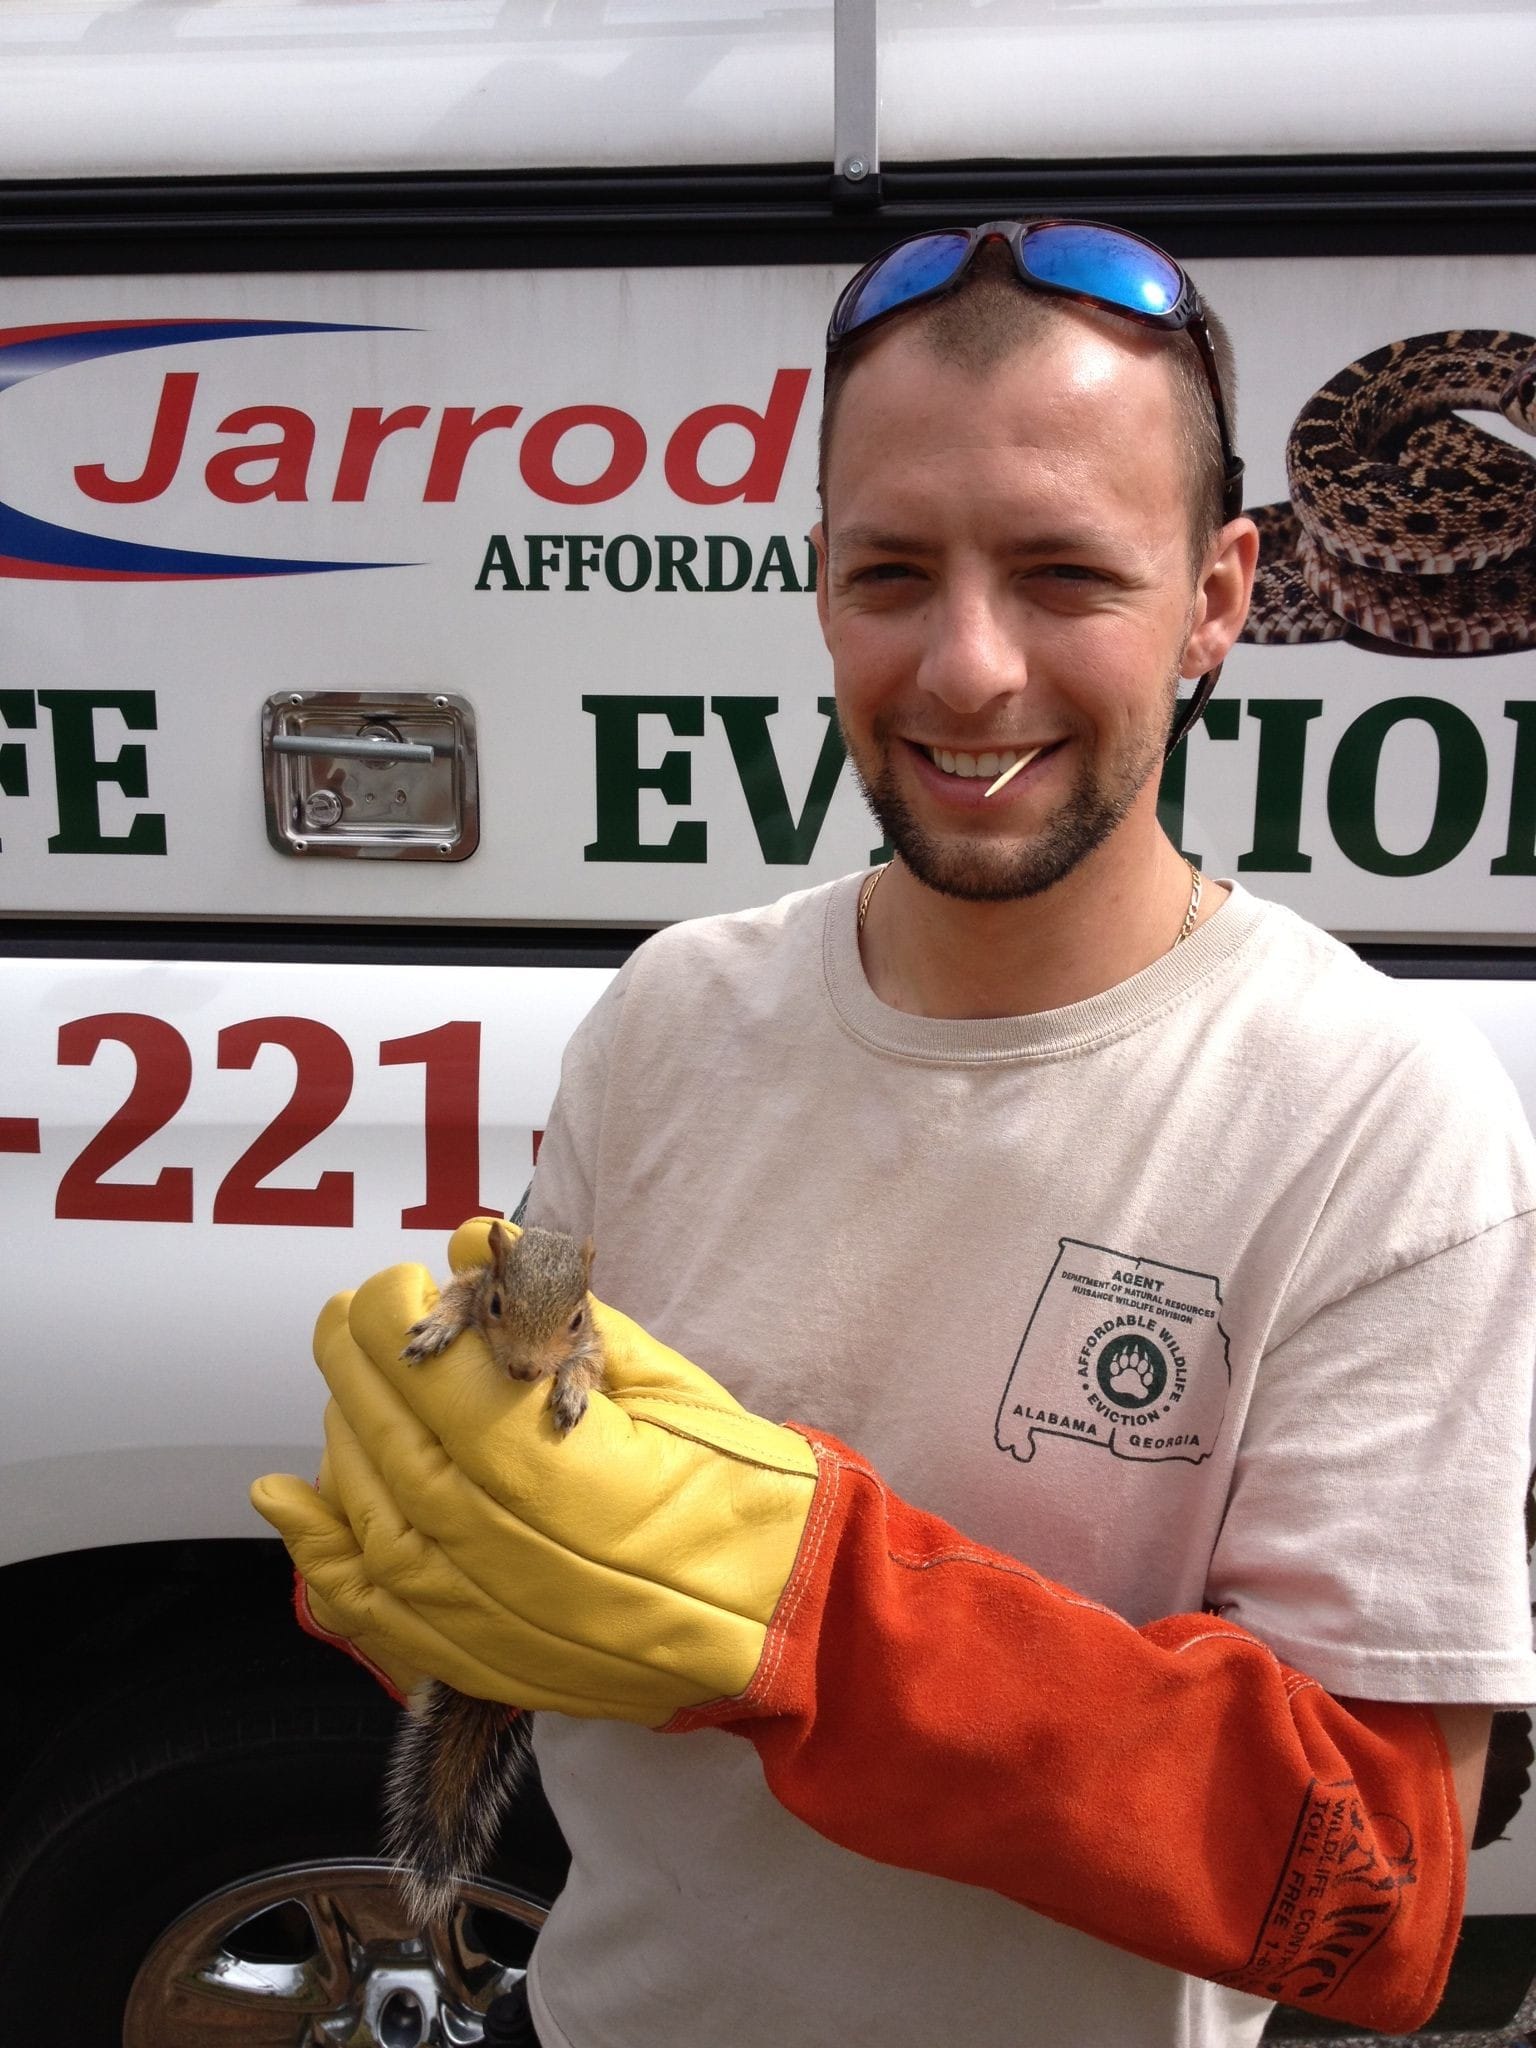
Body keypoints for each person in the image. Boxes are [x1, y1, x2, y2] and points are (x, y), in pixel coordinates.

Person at [254, 221, 1536, 2048]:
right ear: (819, 582)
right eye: (891, 572)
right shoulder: (675, 1014)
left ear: (1221, 596)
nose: (965, 669)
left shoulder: (1376, 1124)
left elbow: (1376, 1910)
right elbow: (547, 1566)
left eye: (1067, 574)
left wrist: (814, 1619)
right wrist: (440, 1557)